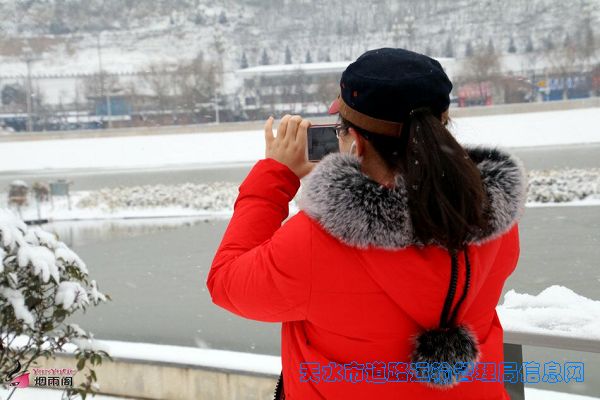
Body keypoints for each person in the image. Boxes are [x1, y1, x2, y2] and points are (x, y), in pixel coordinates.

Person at [207, 48, 527, 399]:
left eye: (340, 131)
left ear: (355, 142)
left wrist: (275, 177)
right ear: (443, 124)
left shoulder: (319, 240)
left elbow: (226, 282)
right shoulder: (491, 218)